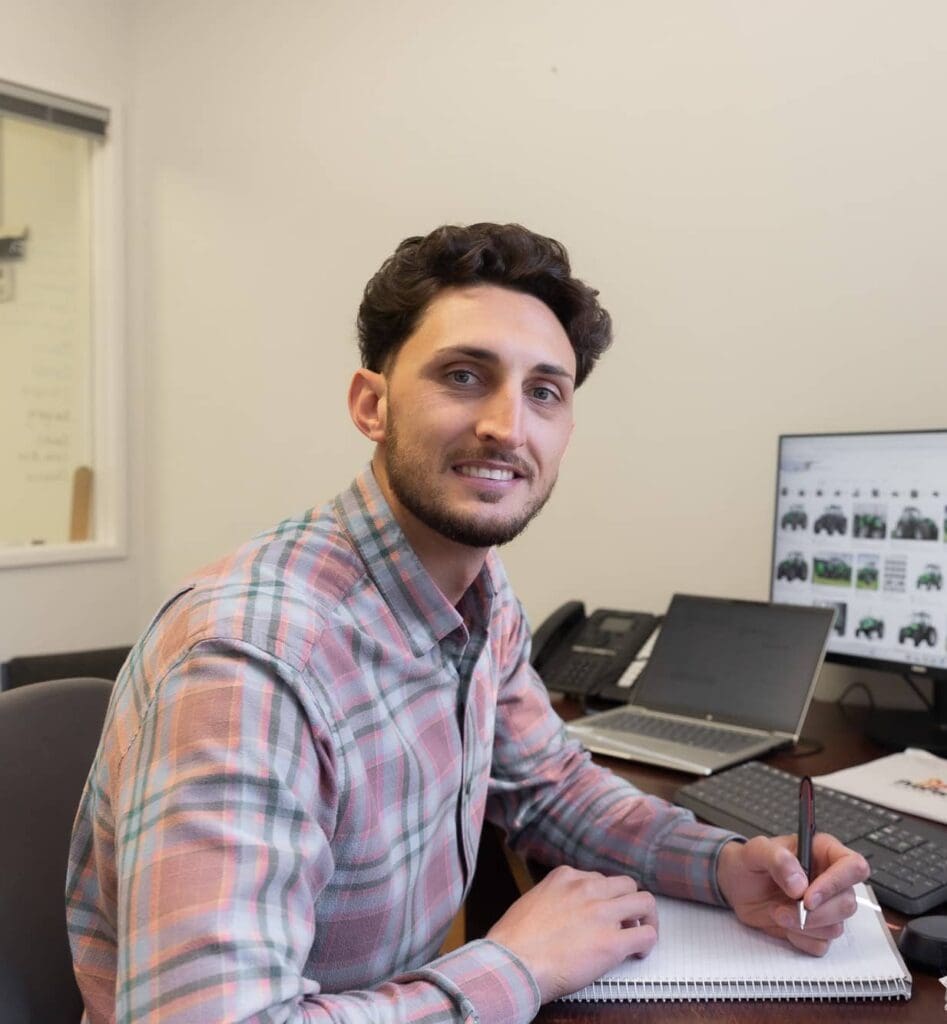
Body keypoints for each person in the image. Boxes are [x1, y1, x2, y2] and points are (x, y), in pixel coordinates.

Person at [66, 223, 869, 1024]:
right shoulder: (250, 662)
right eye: (462, 375)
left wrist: (723, 865)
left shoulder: (476, 589)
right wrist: (515, 966)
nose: (506, 426)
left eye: (543, 392)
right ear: (371, 405)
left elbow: (547, 786)